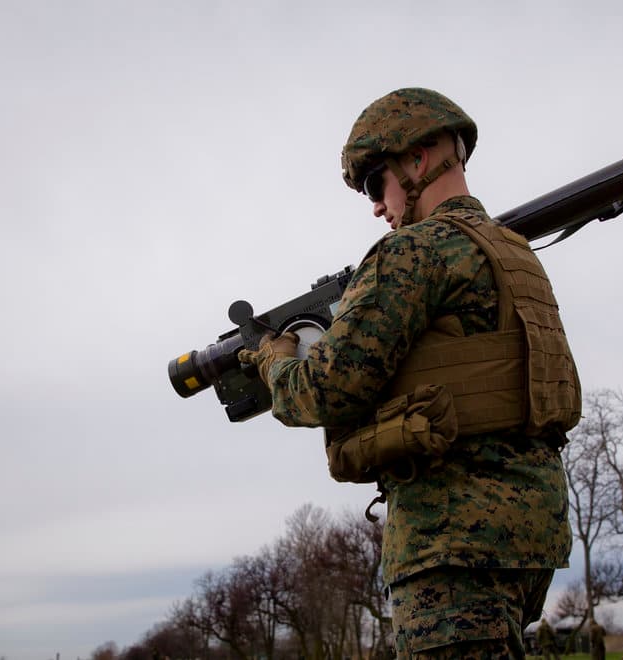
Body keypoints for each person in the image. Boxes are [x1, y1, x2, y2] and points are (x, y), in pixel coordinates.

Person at [239, 88, 582, 659]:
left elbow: (322, 389)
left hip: (451, 541)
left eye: (377, 184)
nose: (377, 206)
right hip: (531, 536)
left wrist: (275, 360)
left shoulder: (412, 254)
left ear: (418, 160)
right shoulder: (519, 255)